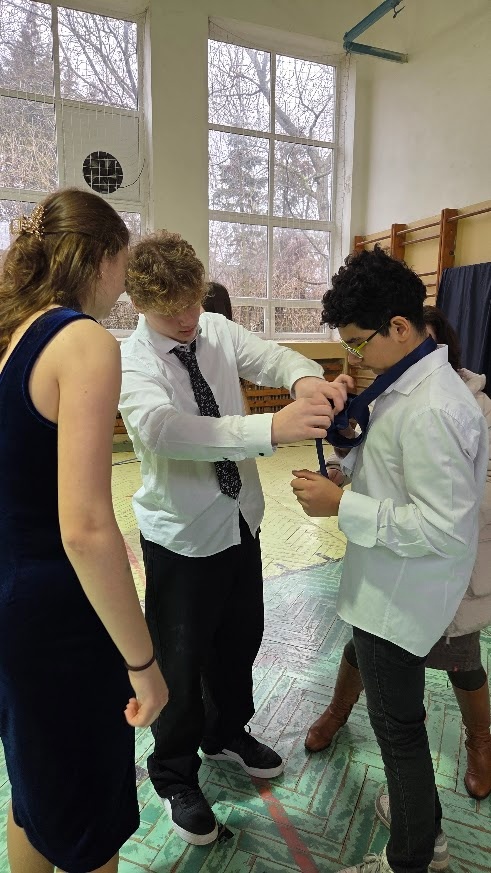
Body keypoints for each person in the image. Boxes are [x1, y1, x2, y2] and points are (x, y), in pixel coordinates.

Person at [119, 229, 350, 847]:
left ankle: (223, 734)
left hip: (240, 521)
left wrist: (305, 380)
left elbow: (273, 358)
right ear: (140, 304)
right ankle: (174, 774)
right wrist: (269, 428)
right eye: (172, 310)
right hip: (181, 538)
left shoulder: (214, 329)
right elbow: (166, 430)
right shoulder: (132, 361)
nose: (188, 319)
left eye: (194, 302)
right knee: (179, 660)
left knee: (239, 639)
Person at [290, 248, 488, 873]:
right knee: (400, 726)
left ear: (399, 327)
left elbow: (443, 529)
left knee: (398, 732)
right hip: (392, 583)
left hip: (400, 595)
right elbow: (395, 473)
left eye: (357, 342)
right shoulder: (407, 386)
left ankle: (414, 856)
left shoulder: (433, 408)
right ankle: (418, 820)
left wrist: (341, 506)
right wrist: (347, 458)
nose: (352, 357)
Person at [0, 189, 168, 873]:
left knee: (35, 797)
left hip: (11, 600)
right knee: (89, 822)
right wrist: (144, 664)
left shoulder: (10, 338)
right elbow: (87, 528)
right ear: (99, 257)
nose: (124, 286)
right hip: (60, 620)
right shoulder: (83, 341)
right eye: (122, 265)